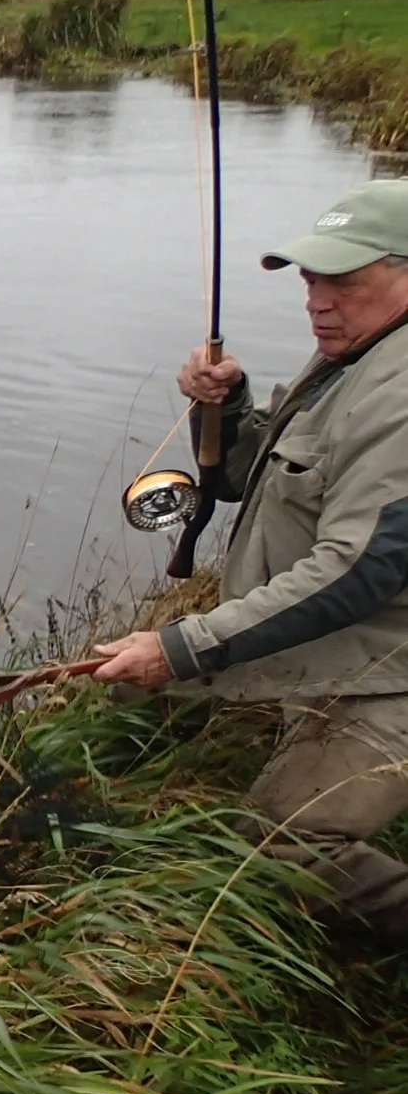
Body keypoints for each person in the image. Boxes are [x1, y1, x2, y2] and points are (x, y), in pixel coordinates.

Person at [92, 178, 408, 940]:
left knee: (279, 843)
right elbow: (244, 477)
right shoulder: (353, 356)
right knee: (123, 705)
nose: (318, 300)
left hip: (387, 671)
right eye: (310, 280)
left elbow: (359, 569)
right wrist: (226, 408)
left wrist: (182, 646)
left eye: (345, 280)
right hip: (333, 647)